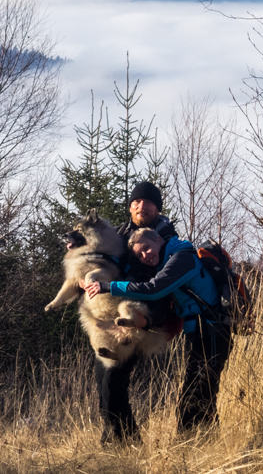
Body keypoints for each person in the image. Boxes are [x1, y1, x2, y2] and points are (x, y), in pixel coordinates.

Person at [85, 225, 233, 435]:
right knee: (199, 391)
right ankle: (204, 443)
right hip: (199, 332)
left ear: (159, 241)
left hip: (213, 330)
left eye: (147, 247)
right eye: (140, 254)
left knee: (197, 393)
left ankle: (193, 444)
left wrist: (109, 286)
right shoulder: (167, 261)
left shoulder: (183, 258)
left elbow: (155, 289)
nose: (146, 255)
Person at [88, 182, 179, 444]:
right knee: (102, 378)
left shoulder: (167, 240)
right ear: (130, 206)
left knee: (114, 380)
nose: (142, 206)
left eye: (148, 202)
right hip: (112, 315)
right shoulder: (118, 235)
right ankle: (116, 438)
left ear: (157, 208)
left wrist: (148, 318)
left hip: (144, 318)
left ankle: (124, 442)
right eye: (137, 202)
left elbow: (162, 287)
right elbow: (97, 259)